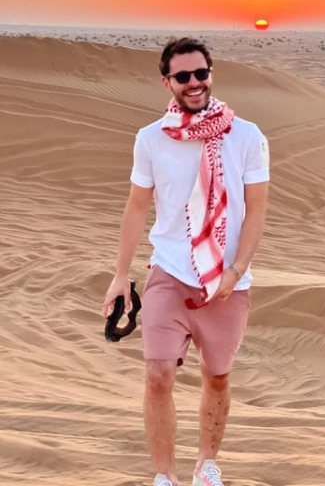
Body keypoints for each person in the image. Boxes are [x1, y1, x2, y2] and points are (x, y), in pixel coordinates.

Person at [103, 36, 269, 486]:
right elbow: (136, 207)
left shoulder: (247, 136)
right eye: (183, 76)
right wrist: (120, 275)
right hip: (170, 272)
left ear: (211, 74)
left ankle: (206, 465)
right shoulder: (150, 139)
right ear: (167, 82)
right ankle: (164, 476)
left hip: (226, 283)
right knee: (157, 375)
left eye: (201, 73)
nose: (194, 82)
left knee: (217, 377)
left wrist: (236, 271)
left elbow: (257, 211)